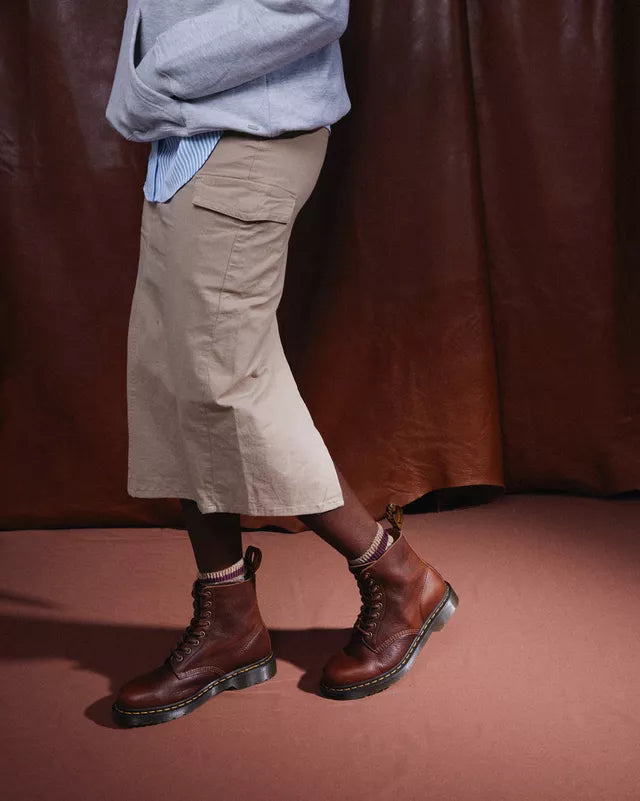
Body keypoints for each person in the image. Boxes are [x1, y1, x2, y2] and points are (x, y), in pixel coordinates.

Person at [105, 0, 458, 727]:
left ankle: (400, 579)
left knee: (227, 383)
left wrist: (157, 72)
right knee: (175, 379)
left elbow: (311, 7)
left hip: (243, 135)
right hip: (190, 134)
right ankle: (229, 619)